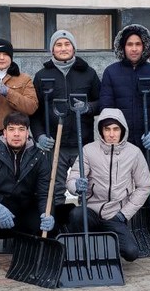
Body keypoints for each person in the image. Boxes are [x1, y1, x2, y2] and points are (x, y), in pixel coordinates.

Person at [0, 112, 54, 275]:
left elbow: (45, 193)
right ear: (4, 132)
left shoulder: (39, 156)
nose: (16, 134)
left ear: (27, 133)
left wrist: (47, 213)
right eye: (12, 129)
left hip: (23, 209)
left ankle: (30, 257)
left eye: (21, 129)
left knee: (43, 222)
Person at [31, 29, 101, 228]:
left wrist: (88, 107)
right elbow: (35, 112)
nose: (63, 48)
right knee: (54, 189)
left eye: (67, 44)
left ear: (74, 48)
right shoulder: (42, 75)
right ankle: (58, 227)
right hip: (55, 144)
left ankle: (84, 225)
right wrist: (39, 135)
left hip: (82, 143)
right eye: (59, 45)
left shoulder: (88, 73)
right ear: (52, 49)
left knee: (85, 188)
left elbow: (102, 102)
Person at [65, 109, 150, 262]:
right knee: (76, 214)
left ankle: (105, 244)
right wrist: (76, 185)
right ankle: (82, 251)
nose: (111, 134)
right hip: (90, 212)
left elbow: (144, 186)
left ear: (122, 130)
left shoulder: (134, 153)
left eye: (116, 129)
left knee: (131, 253)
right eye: (107, 129)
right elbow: (72, 179)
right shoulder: (88, 150)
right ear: (101, 130)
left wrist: (124, 214)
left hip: (115, 216)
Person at [100, 24, 150, 158]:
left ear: (144, 46)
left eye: (138, 44)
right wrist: (114, 134)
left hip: (147, 143)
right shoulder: (111, 72)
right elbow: (106, 108)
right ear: (123, 47)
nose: (134, 49)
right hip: (120, 143)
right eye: (129, 44)